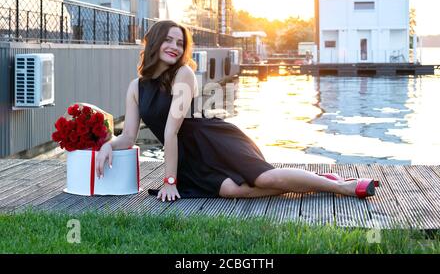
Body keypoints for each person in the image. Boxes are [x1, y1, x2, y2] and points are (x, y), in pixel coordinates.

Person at [94, 20, 378, 202]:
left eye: (180, 43)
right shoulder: (136, 87)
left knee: (265, 178)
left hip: (216, 142)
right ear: (155, 42)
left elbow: (171, 130)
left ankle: (343, 186)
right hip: (190, 160)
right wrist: (109, 144)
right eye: (168, 40)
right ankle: (313, 183)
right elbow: (129, 137)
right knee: (232, 191)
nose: (174, 47)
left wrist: (169, 181)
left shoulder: (183, 74)